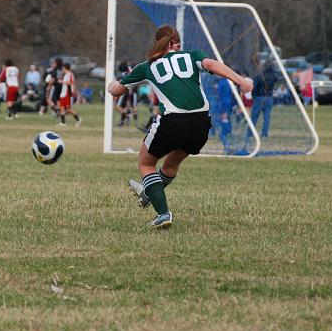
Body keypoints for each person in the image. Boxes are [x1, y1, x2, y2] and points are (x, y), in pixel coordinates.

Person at [108, 25, 253, 229]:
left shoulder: (146, 66)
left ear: (156, 43)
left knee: (146, 163)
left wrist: (111, 84)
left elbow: (116, 91)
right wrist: (240, 80)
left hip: (173, 121)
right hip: (201, 122)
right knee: (170, 165)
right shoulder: (192, 55)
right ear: (178, 44)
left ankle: (163, 214)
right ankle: (150, 193)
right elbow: (211, 63)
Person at [249, 56, 279, 138]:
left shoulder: (259, 76)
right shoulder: (274, 76)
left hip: (259, 97)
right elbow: (277, 78)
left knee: (254, 117)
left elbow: (254, 87)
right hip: (269, 97)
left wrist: (253, 97)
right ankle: (264, 133)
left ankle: (250, 133)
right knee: (266, 117)